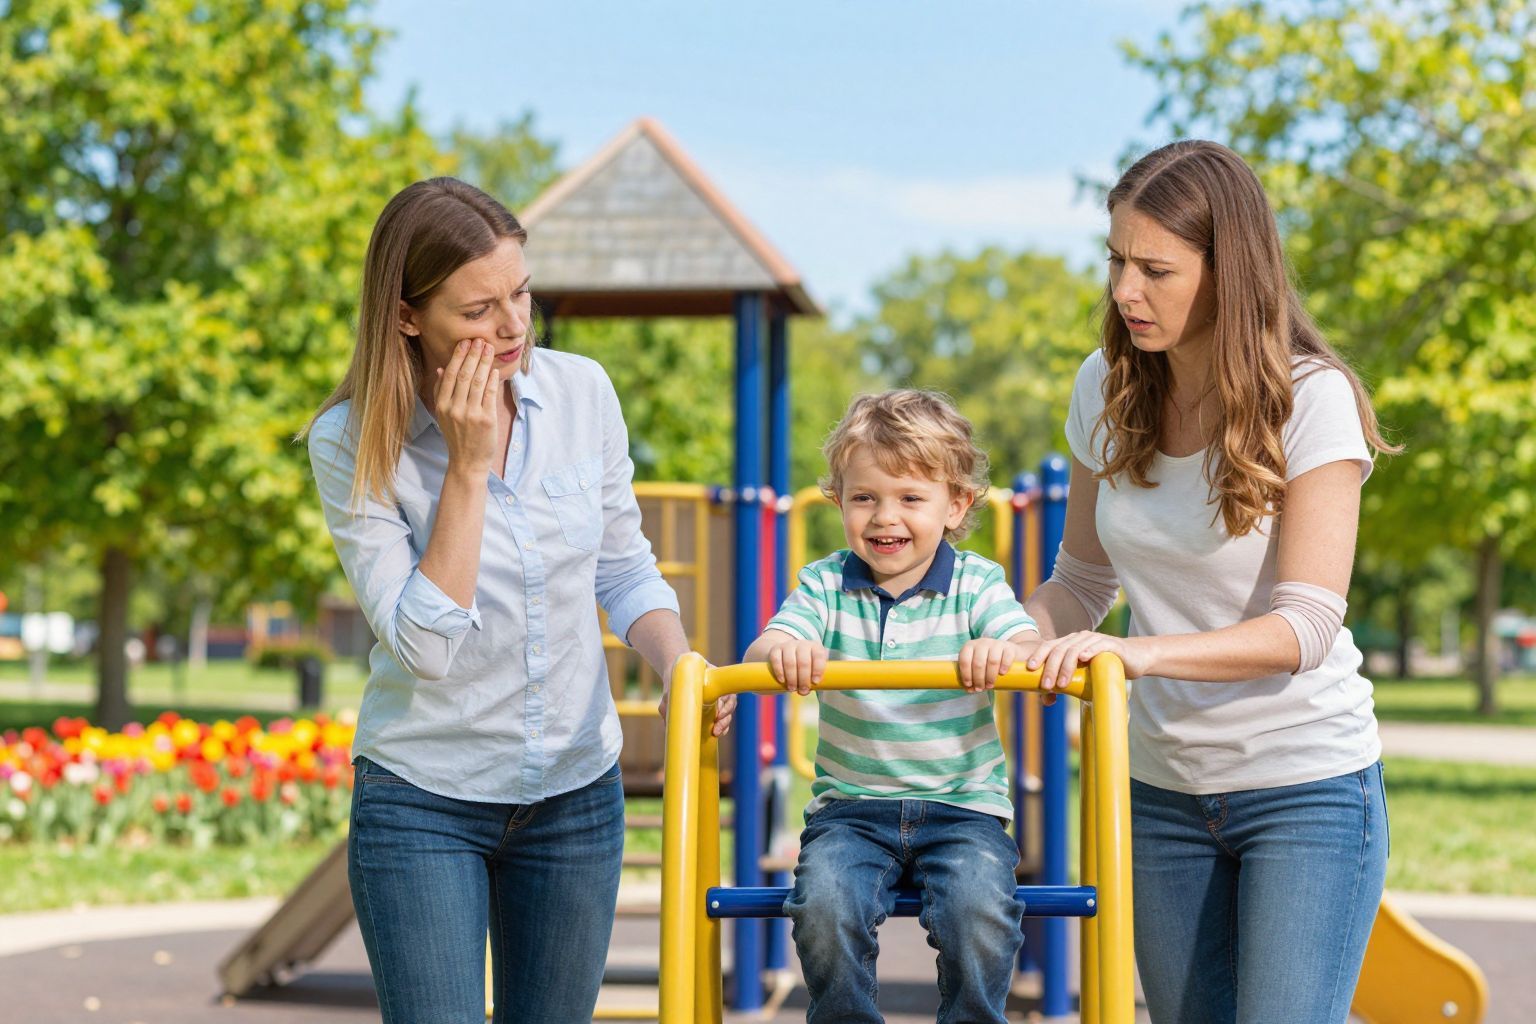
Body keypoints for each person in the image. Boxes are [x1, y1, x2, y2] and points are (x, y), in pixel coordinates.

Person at [304, 177, 734, 1024]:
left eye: (521, 294)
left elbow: (623, 567)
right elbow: (425, 647)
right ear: (405, 316)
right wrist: (466, 467)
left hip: (575, 795)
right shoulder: (350, 442)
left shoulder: (584, 394)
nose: (511, 328)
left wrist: (677, 662)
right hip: (425, 799)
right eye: (476, 311)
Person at [1021, 140, 1398, 1024]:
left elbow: (1303, 626)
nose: (1124, 290)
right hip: (1160, 791)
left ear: (1230, 273)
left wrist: (1135, 654)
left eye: (1155, 268)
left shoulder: (1313, 398)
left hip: (1305, 787)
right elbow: (1078, 579)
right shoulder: (1105, 386)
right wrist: (1018, 630)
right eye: (1116, 259)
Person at [743, 389, 1041, 1024]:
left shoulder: (976, 583)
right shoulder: (823, 584)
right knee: (823, 904)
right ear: (839, 501)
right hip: (852, 810)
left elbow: (1025, 643)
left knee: (979, 910)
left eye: (910, 498)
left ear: (956, 504)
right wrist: (783, 650)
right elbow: (769, 641)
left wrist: (999, 648)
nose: (885, 518)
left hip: (962, 807)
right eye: (865, 498)